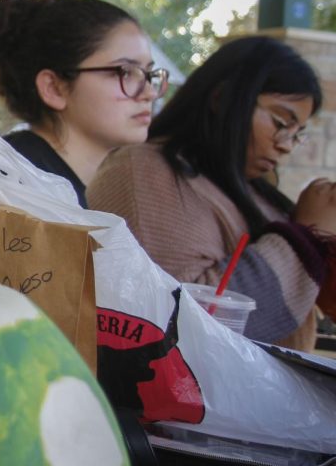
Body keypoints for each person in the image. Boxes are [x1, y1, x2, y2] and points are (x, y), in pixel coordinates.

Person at [88, 36, 336, 351]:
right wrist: (306, 237)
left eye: (296, 133)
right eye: (280, 122)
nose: (286, 144)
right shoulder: (144, 171)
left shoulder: (254, 190)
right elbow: (186, 322)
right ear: (223, 99)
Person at [0, 0, 165, 276]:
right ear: (55, 88)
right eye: (124, 72)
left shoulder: (47, 178)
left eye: (150, 74)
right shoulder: (13, 187)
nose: (148, 93)